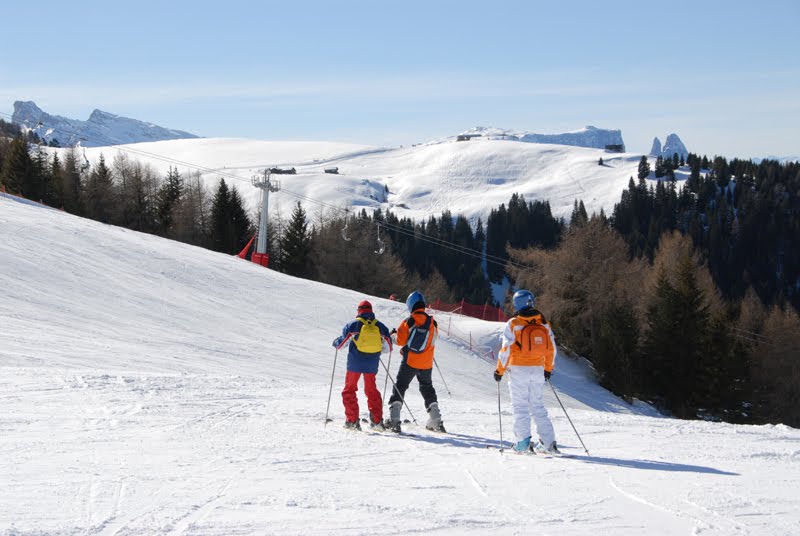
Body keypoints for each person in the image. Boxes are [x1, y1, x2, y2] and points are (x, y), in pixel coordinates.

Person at [493, 289, 559, 454]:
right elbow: (552, 349)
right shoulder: (543, 323)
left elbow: (506, 349)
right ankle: (548, 442)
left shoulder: (514, 323)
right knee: (537, 405)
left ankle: (523, 443)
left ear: (516, 304)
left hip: (518, 370)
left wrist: (499, 370)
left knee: (520, 406)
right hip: (537, 369)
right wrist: (548, 368)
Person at [385, 291, 446, 433]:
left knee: (400, 386)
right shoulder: (433, 322)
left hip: (410, 362)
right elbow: (433, 340)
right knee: (427, 388)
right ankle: (436, 420)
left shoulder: (410, 321)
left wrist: (393, 335)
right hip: (426, 363)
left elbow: (400, 340)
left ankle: (394, 420)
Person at [333, 300, 393, 430]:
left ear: (359, 311)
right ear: (371, 311)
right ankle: (377, 422)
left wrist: (336, 343)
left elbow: (341, 344)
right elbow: (388, 348)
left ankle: (352, 420)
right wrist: (376, 350)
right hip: (372, 364)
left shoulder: (353, 325)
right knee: (371, 390)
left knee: (349, 390)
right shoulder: (381, 327)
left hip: (354, 363)